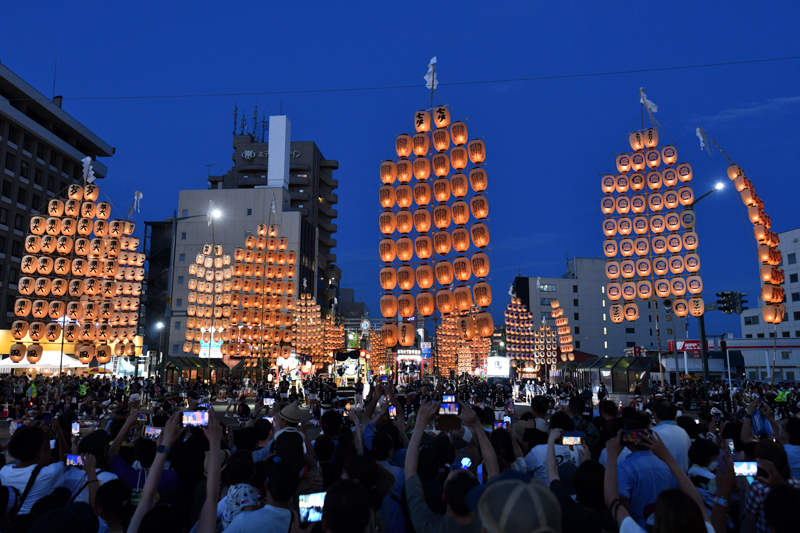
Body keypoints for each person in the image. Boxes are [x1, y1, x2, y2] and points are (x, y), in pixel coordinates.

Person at [403, 399, 497, 532]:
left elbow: (410, 471)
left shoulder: (429, 526)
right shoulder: (489, 524)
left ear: (444, 497)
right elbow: (493, 470)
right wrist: (476, 425)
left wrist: (419, 423)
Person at [605, 430, 718, 533]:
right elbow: (698, 502)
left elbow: (613, 501)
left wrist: (611, 455)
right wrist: (667, 456)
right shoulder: (706, 530)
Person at [0, 424, 68, 514]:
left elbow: (38, 468)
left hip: (14, 521)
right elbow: (65, 459)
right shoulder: (49, 472)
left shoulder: (4, 471)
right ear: (40, 450)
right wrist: (59, 434)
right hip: (35, 521)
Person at [651, 399, 691, 472]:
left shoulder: (653, 433)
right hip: (683, 480)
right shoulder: (683, 432)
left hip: (661, 480)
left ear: (655, 414)